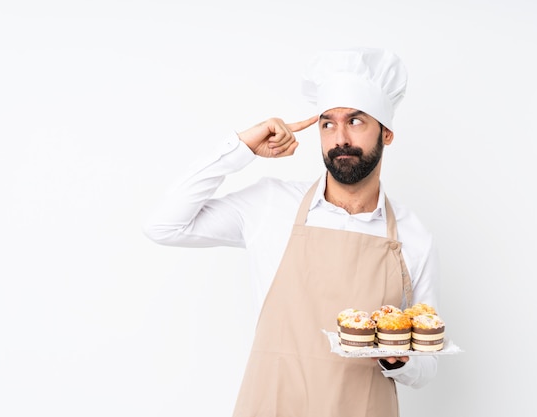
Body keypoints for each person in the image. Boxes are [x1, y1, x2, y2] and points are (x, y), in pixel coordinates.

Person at [143, 47, 441, 417]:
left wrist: (400, 360)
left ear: (387, 133)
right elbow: (164, 226)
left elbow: (427, 364)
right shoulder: (270, 204)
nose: (340, 138)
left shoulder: (413, 236)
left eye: (356, 121)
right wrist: (240, 149)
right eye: (328, 123)